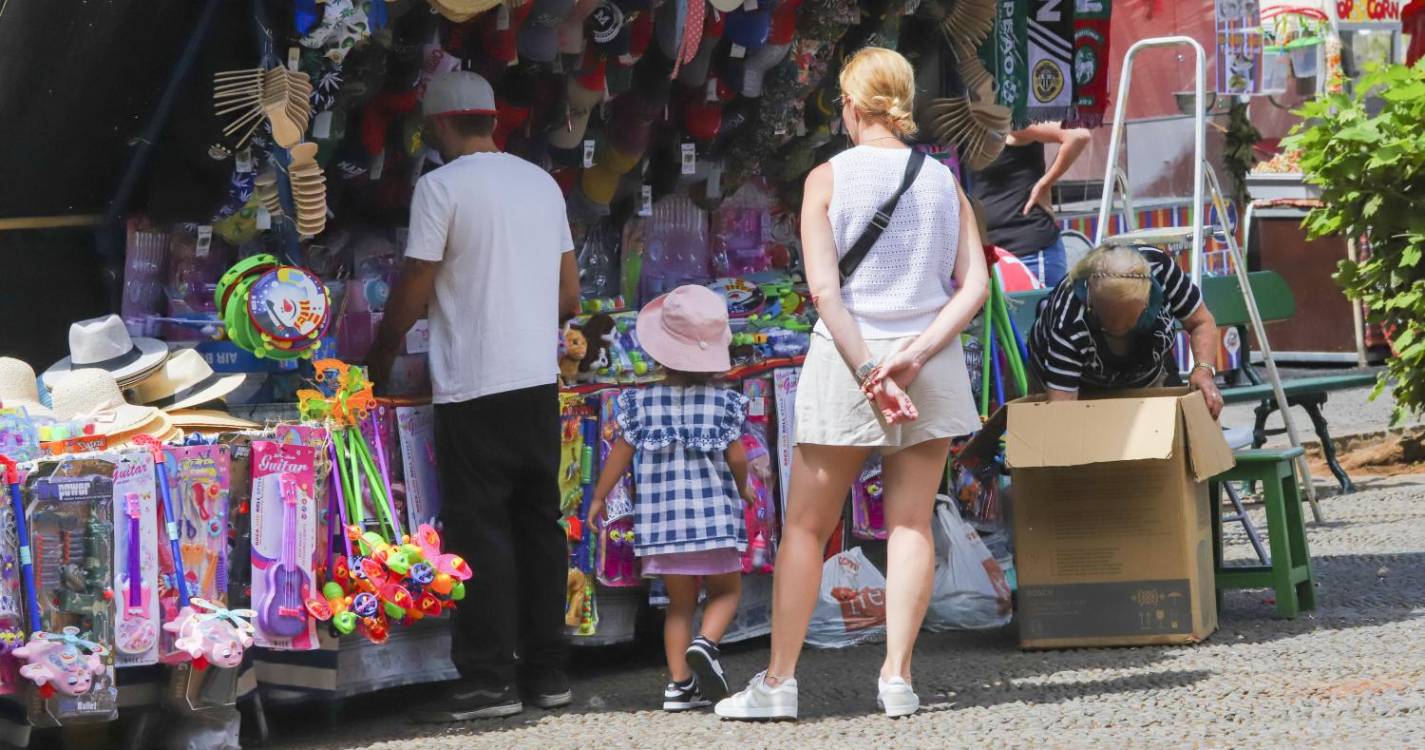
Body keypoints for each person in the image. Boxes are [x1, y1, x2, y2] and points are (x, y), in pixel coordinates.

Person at [716, 47, 988, 721]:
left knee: (807, 527)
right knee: (909, 522)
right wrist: (916, 354)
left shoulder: (827, 177)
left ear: (849, 104)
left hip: (847, 360)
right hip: (929, 361)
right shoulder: (940, 179)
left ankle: (778, 684)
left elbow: (823, 290)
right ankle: (896, 677)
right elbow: (974, 284)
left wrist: (869, 369)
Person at [366, 70, 582, 722]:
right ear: (492, 120)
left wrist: (378, 352)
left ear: (437, 125)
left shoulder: (439, 188)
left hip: (473, 387)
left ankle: (488, 680)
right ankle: (549, 673)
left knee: (480, 531)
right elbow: (568, 297)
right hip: (534, 382)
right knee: (539, 527)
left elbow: (413, 285)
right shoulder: (540, 183)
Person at [588, 284, 755, 712]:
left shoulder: (640, 403)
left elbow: (620, 454)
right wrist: (745, 487)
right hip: (714, 522)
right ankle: (706, 644)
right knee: (725, 592)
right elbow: (737, 458)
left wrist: (599, 499)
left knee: (678, 606)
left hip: (663, 528)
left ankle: (678, 686)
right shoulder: (725, 403)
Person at [1027, 244, 1225, 419]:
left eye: (1131, 323)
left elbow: (1201, 322)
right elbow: (1061, 414)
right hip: (1076, 387)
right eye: (1108, 323)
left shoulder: (1161, 270)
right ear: (1091, 302)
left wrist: (1203, 370)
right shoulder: (1069, 320)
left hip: (1145, 376)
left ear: (1147, 301)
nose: (1119, 332)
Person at [970, 122, 1091, 287]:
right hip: (988, 256)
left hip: (1029, 252)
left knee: (1037, 312)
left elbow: (1078, 135)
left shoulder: (1010, 119)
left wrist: (1045, 184)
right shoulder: (964, 126)